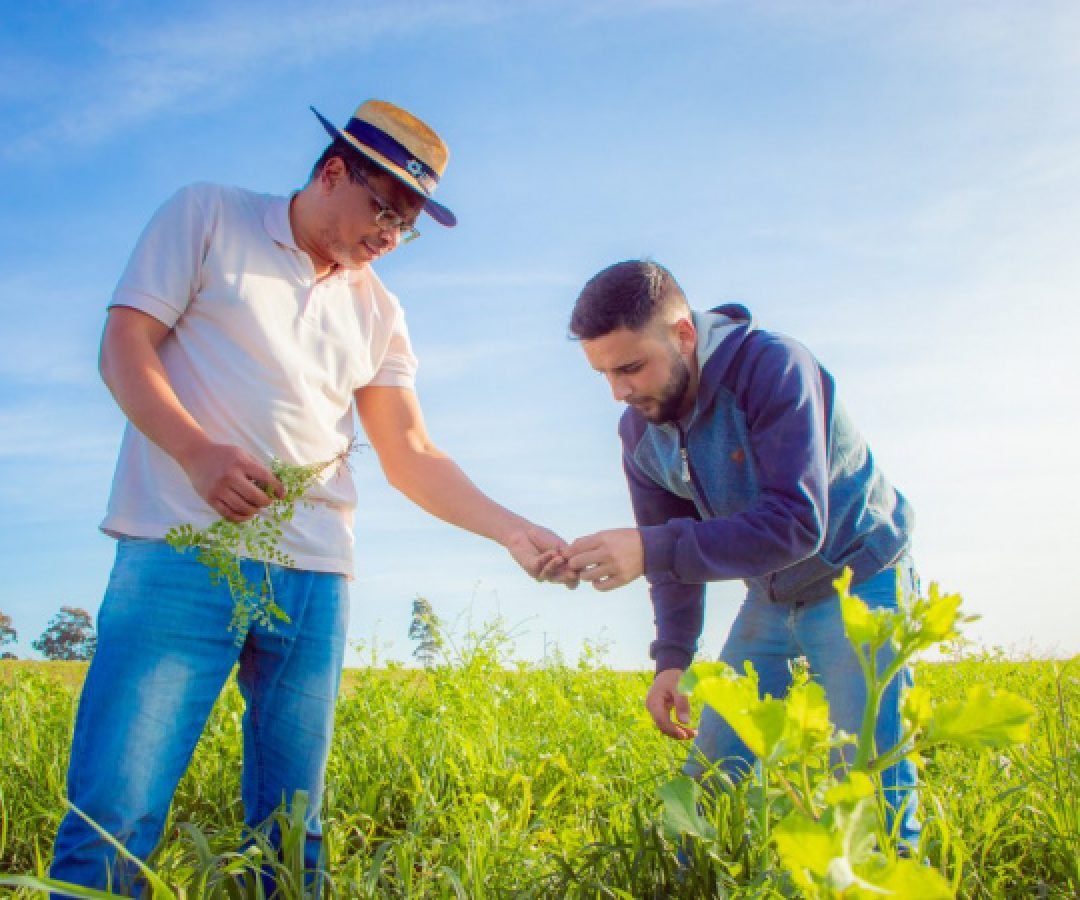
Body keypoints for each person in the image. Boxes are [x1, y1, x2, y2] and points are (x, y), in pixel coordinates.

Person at [49, 98, 573, 893]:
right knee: (115, 812)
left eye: (408, 226)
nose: (391, 237)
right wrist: (196, 453)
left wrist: (511, 529)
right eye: (384, 211)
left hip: (314, 575)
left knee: (294, 825)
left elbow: (411, 450)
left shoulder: (379, 310)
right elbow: (123, 346)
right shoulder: (208, 216)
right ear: (333, 172)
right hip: (181, 551)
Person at [564, 259, 919, 848]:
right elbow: (670, 557)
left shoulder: (772, 368)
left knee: (866, 789)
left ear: (683, 334)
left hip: (860, 576)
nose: (619, 392)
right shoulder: (639, 432)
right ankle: (686, 882)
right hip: (771, 596)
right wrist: (673, 657)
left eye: (630, 367)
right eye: (603, 374)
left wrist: (649, 548)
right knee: (704, 786)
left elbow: (797, 522)